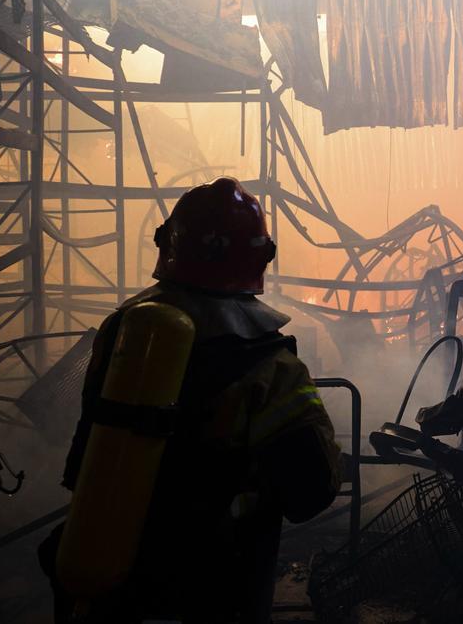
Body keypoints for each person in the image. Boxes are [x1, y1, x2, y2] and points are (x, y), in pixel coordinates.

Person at [40, 177, 342, 623]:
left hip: (107, 558)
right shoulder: (272, 365)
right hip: (219, 580)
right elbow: (310, 490)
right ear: (260, 256)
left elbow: (87, 441)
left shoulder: (124, 330)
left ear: (168, 244)